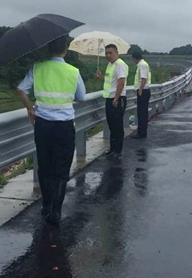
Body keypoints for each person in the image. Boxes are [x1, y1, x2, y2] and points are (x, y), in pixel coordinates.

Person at [17, 35, 86, 225]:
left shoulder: (37, 68)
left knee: (45, 166)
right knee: (62, 169)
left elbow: (21, 90)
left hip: (43, 126)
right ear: (65, 49)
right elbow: (81, 97)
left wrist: (30, 109)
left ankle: (46, 206)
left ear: (49, 49)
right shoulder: (73, 71)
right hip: (64, 127)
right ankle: (56, 210)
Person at [95, 44, 128, 159]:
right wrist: (101, 76)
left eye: (110, 53)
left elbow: (121, 82)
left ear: (116, 52)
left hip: (117, 99)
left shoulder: (120, 64)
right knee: (111, 125)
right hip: (109, 98)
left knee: (117, 126)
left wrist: (116, 98)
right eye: (106, 53)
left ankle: (118, 151)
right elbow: (111, 80)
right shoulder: (110, 65)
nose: (108, 55)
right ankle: (112, 149)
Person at [130, 53, 151, 139]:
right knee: (143, 112)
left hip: (143, 91)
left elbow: (143, 79)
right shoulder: (144, 64)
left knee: (141, 113)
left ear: (135, 58)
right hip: (145, 90)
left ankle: (141, 132)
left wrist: (140, 90)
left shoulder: (142, 65)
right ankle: (142, 131)